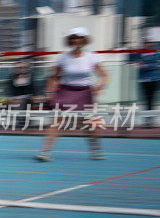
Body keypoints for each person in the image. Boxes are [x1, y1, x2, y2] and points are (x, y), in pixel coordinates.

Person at [36, 27, 108, 162]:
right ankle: (45, 152)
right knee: (56, 121)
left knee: (89, 123)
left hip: (85, 93)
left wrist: (100, 86)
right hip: (65, 91)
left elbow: (104, 75)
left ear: (84, 40)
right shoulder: (63, 57)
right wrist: (49, 93)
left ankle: (96, 150)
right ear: (70, 41)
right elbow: (53, 77)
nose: (76, 41)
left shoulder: (92, 56)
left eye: (79, 38)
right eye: (73, 38)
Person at [136, 37, 160, 127]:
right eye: (145, 43)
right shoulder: (141, 53)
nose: (146, 44)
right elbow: (136, 62)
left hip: (154, 79)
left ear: (152, 43)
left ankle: (151, 121)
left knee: (152, 100)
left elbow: (156, 64)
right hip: (144, 79)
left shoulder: (156, 52)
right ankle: (147, 121)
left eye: (148, 42)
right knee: (146, 100)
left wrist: (145, 65)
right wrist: (139, 64)